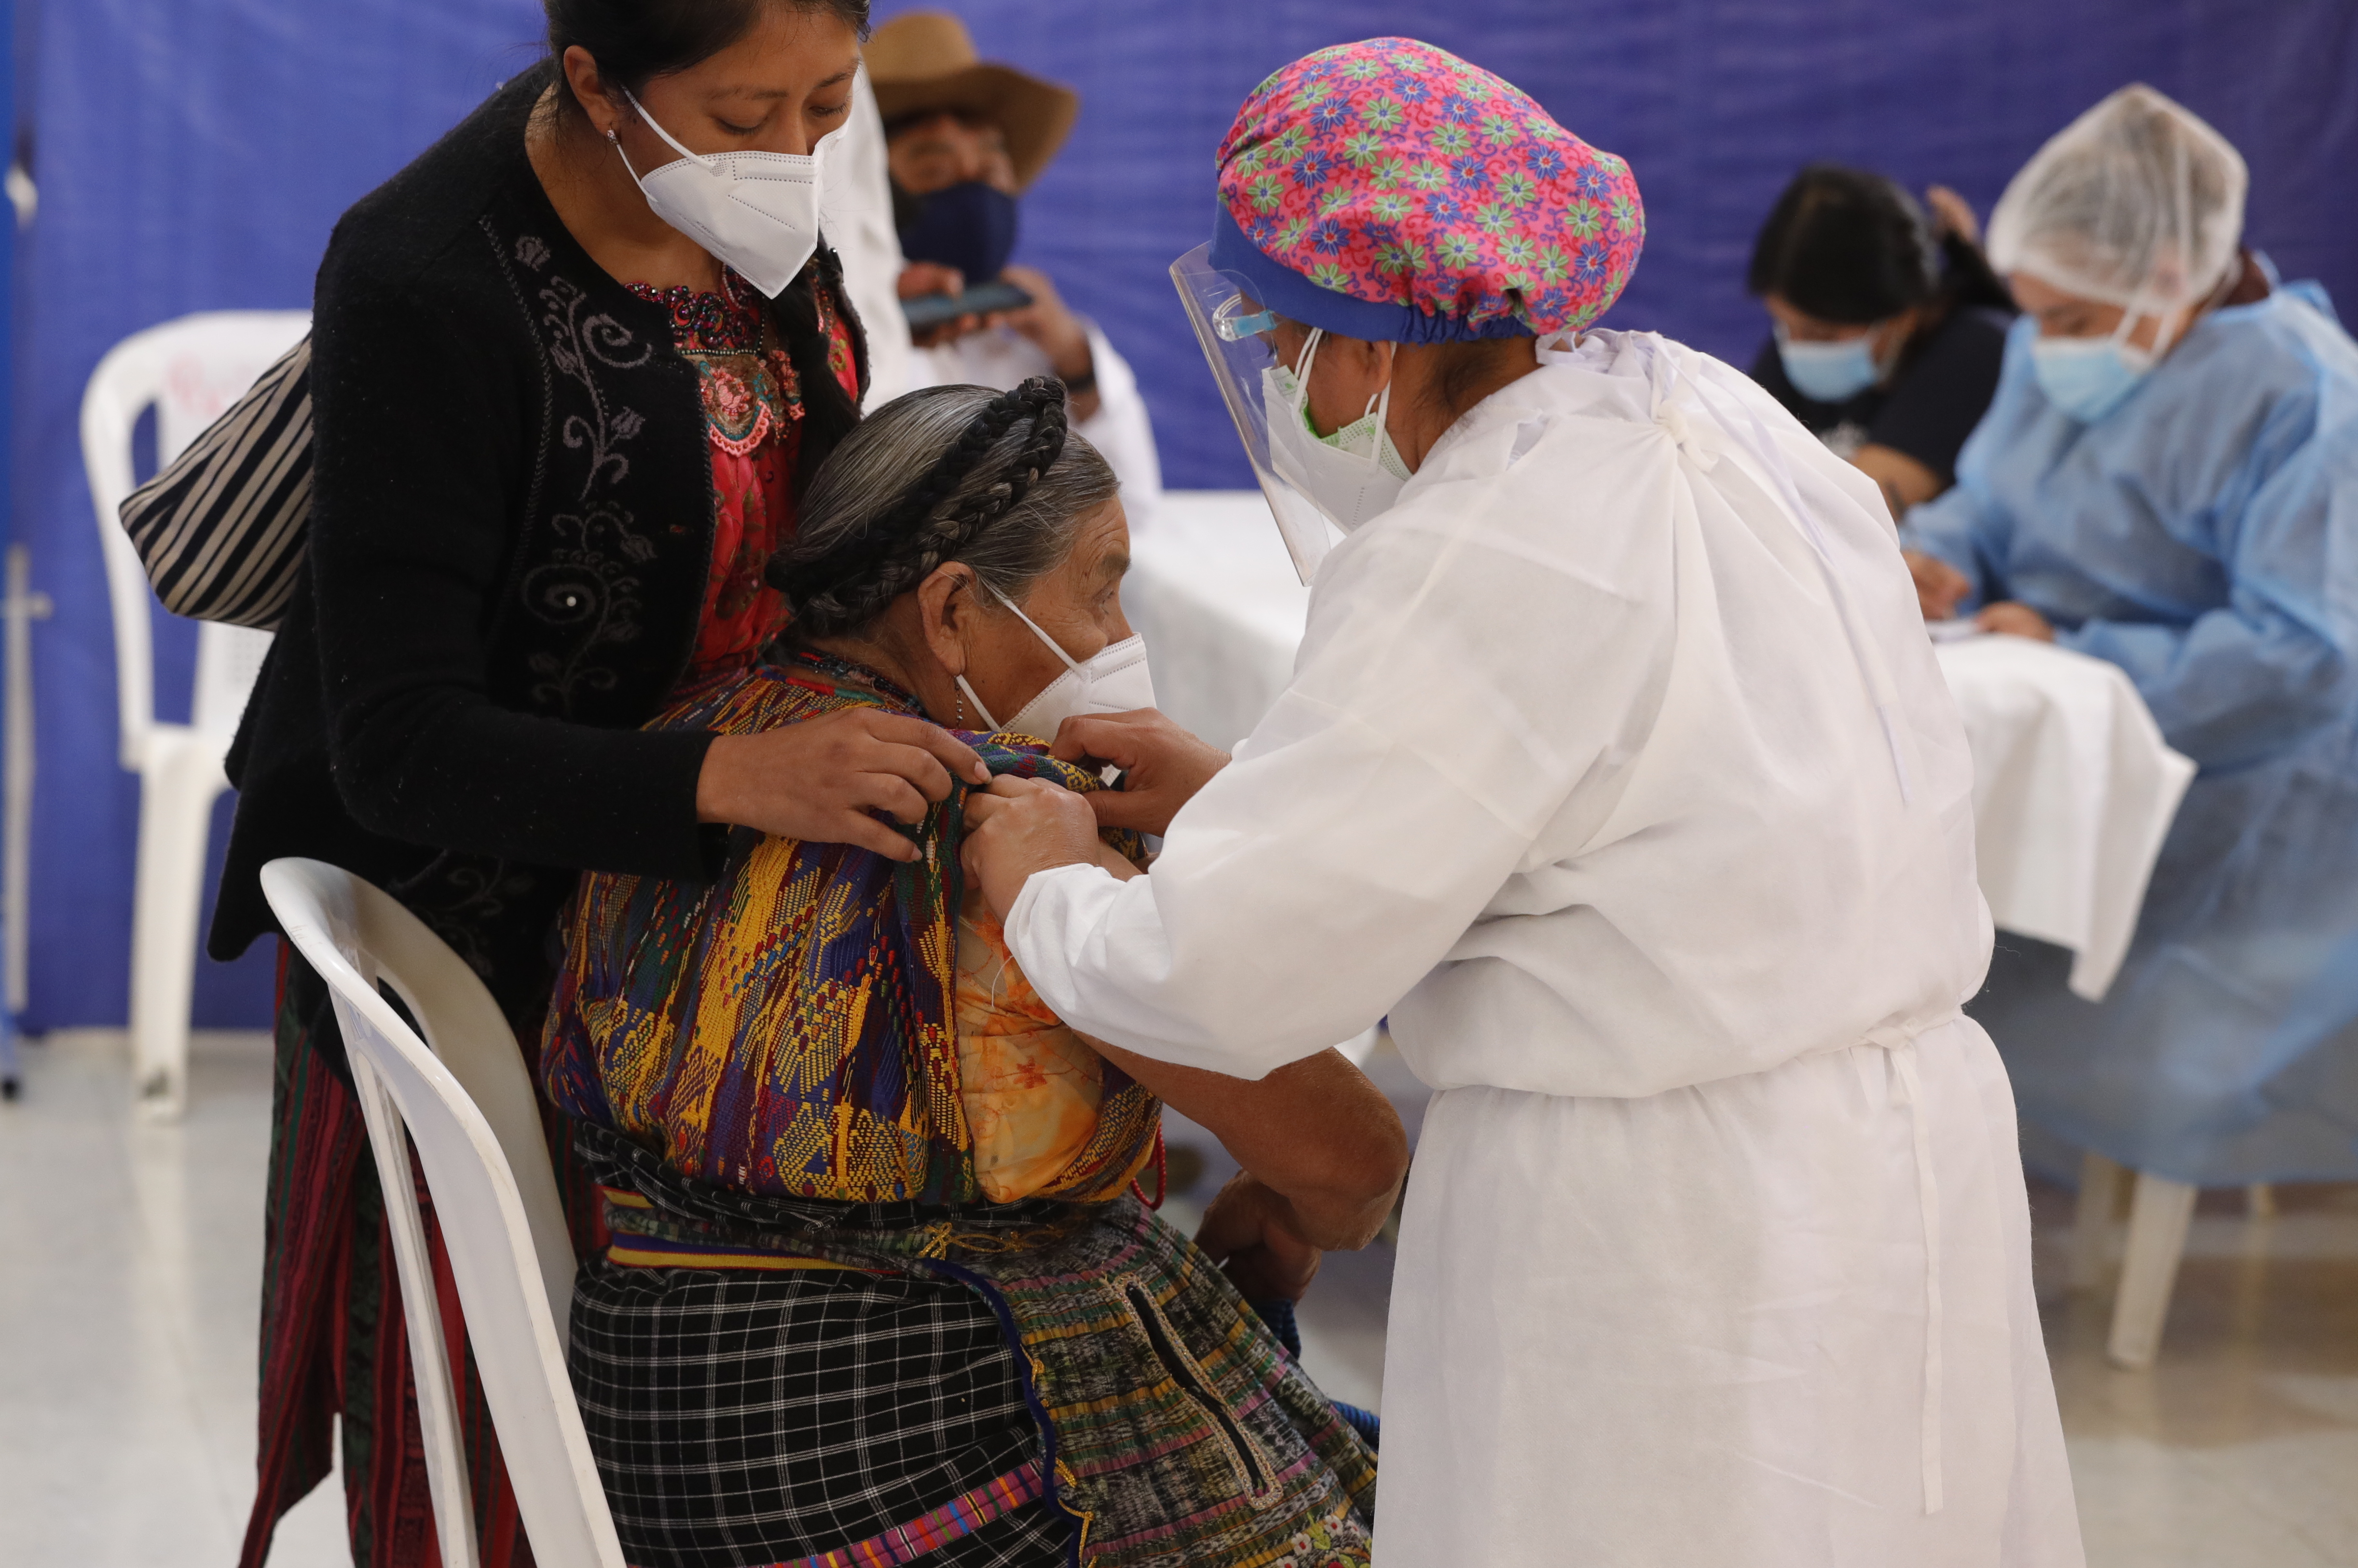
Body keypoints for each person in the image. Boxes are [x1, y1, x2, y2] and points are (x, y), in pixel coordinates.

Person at [961, 38, 2083, 1567]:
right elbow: (1637, 821)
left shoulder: (1476, 544)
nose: (1282, 380)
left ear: (1378, 337)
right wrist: (1240, 786)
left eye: (1287, 339)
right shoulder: (1711, 416)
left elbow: (1223, 976)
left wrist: (1047, 886)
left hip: (1661, 1220)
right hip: (1894, 1160)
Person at [205, 4, 1010, 1564]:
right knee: (517, 1480)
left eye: (827, 104)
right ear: (591, 83)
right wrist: (732, 778)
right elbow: (397, 743)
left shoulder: (748, 184)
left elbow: (825, 505)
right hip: (481, 941)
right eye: (741, 113)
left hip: (702, 943)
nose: (789, 155)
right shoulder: (430, 280)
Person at [541, 377, 1399, 1567]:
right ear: (950, 612)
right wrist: (1294, 1206)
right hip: (915, 1447)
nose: (1115, 639)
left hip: (668, 1427)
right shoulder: (1006, 828)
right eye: (1100, 588)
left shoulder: (690, 754)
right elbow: (1353, 1159)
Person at [1900, 84, 2358, 1188]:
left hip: (2229, 784)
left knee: (2107, 1033)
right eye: (2035, 314)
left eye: (2068, 322)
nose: (2042, 347)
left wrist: (2082, 651)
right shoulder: (2067, 342)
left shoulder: (2304, 394)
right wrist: (1933, 551)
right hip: (2047, 711)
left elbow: (2306, 655)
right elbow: (1997, 496)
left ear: (2170, 275)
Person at [865, 11, 1165, 522]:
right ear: (869, 186)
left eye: (987, 169)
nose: (970, 187)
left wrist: (1076, 363)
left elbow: (1132, 509)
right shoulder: (839, 329)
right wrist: (881, 322)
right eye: (934, 170)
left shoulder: (1040, 347)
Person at [1747, 165, 2017, 518]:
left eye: (1821, 334)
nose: (1796, 347)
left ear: (1903, 317)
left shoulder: (1976, 350)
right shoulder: (1799, 342)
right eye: (1782, 324)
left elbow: (1850, 516)